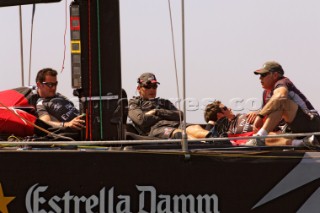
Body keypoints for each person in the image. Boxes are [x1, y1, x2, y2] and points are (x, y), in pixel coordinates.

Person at [128, 72, 229, 144]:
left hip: (174, 124)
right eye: (148, 86)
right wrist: (166, 115)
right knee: (180, 133)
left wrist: (156, 112)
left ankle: (215, 139)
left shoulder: (163, 102)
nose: (152, 89)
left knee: (193, 128)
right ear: (139, 88)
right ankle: (204, 146)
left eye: (154, 86)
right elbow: (141, 120)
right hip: (155, 130)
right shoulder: (134, 103)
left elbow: (180, 115)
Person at [247, 61, 320, 146]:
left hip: (312, 124)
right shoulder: (266, 93)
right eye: (260, 76)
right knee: (263, 133)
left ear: (275, 75)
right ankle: (302, 143)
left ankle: (259, 138)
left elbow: (281, 96)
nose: (260, 78)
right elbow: (268, 115)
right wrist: (257, 116)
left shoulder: (282, 82)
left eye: (263, 75)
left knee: (281, 102)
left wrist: (260, 115)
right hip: (292, 129)